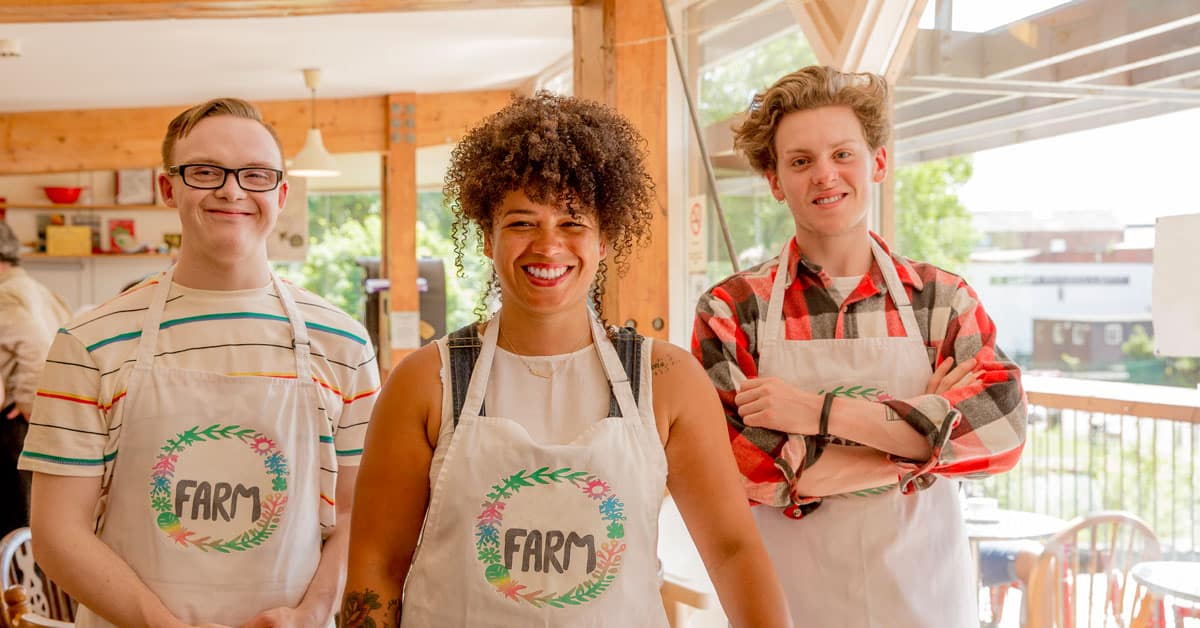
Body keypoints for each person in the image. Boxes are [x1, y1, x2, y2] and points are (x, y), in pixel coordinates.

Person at [341, 93, 791, 627]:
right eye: (521, 223)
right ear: (488, 238)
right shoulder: (425, 382)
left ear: (604, 239)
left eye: (573, 223)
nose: (548, 246)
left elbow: (732, 550)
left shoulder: (665, 380)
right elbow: (377, 565)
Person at [19, 98, 380, 628]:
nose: (232, 190)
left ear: (281, 193)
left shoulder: (344, 343)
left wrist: (312, 613)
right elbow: (56, 534)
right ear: (169, 188)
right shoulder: (89, 341)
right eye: (206, 171)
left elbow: (359, 514)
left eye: (255, 175)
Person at [692, 65, 1028, 628]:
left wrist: (816, 413)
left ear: (877, 162)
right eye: (800, 161)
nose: (825, 175)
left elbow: (1003, 432)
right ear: (776, 182)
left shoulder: (942, 300)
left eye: (842, 154)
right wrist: (927, 444)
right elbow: (746, 471)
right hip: (792, 607)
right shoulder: (732, 310)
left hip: (926, 602)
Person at [0, 221, 72, 536]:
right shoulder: (38, 288)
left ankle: (15, 581)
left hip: (16, 418)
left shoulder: (4, 294)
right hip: (42, 411)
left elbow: (34, 346)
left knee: (15, 513)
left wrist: (28, 400)